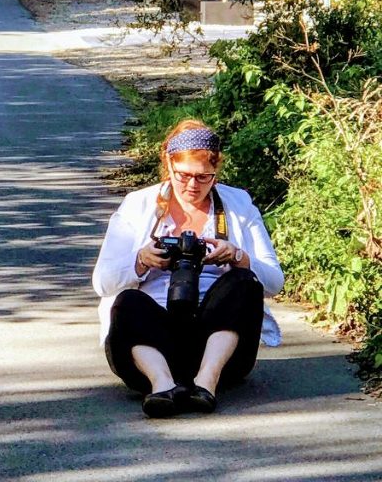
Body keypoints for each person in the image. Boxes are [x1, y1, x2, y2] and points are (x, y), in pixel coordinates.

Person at [92, 119, 284, 418]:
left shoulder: (238, 204)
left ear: (217, 171)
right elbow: (102, 283)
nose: (192, 186)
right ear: (168, 164)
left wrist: (236, 256)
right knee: (127, 302)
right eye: (183, 176)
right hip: (151, 343)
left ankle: (205, 384)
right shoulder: (138, 204)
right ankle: (162, 386)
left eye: (204, 177)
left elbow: (274, 282)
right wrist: (141, 261)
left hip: (220, 345)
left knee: (244, 282)